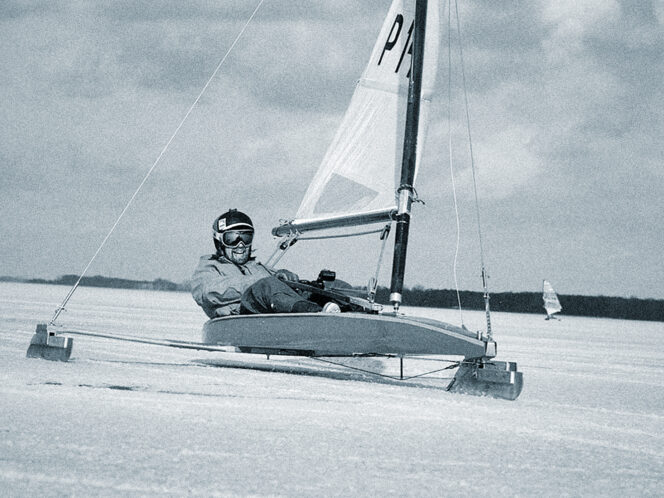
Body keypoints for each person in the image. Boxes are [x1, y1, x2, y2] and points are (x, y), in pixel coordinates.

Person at [191, 209, 341, 318]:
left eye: (246, 237)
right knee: (266, 285)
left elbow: (276, 288)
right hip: (242, 317)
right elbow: (207, 293)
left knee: (331, 286)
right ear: (219, 242)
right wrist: (259, 282)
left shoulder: (257, 267)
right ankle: (318, 316)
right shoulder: (209, 267)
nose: (240, 245)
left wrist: (288, 278)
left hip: (274, 311)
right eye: (232, 239)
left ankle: (356, 313)